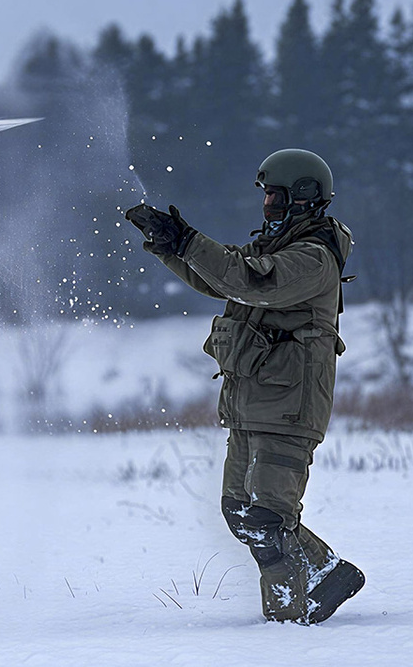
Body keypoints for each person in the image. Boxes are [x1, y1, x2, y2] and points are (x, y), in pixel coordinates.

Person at [125, 148, 364, 624]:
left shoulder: (313, 258)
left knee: (267, 521)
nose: (268, 204)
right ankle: (328, 574)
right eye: (266, 194)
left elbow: (249, 283)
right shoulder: (275, 248)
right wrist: (171, 247)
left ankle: (287, 621)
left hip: (290, 405)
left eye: (277, 195)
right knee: (239, 510)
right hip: (253, 401)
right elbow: (222, 278)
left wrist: (189, 240)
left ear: (305, 197)